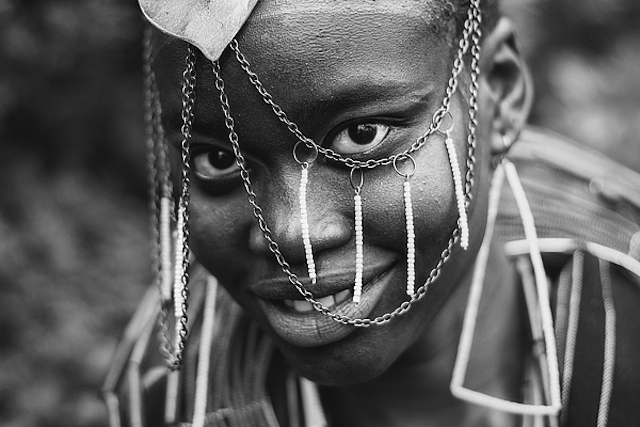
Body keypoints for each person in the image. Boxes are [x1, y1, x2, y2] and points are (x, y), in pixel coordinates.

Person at [103, 0, 640, 426]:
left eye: (363, 135)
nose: (293, 234)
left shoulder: (627, 320)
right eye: (217, 159)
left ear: (495, 91)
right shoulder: (161, 394)